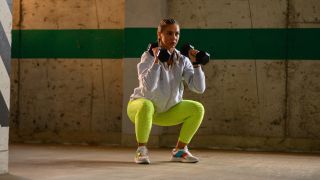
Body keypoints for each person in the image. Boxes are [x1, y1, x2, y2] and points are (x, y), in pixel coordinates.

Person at [127, 18, 206, 164]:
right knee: (146, 105)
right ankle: (141, 150)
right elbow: (148, 87)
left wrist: (197, 65)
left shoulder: (182, 60)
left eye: (177, 34)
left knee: (197, 108)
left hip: (167, 110)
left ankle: (180, 150)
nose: (174, 38)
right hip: (140, 108)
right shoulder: (148, 56)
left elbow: (199, 88)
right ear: (160, 35)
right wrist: (157, 61)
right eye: (169, 33)